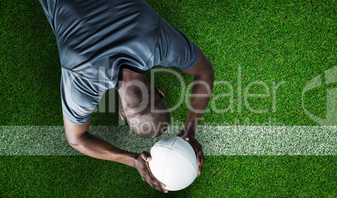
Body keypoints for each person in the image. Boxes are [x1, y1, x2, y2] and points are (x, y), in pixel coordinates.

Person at [39, 0, 214, 193]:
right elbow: (76, 139)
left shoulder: (154, 40)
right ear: (122, 113)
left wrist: (190, 130)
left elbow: (205, 72)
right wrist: (131, 159)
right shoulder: (82, 77)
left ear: (158, 92)